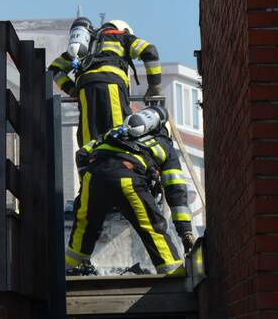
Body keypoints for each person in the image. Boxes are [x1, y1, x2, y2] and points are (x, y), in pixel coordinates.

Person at [65, 105, 195, 276]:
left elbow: (82, 153)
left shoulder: (114, 133)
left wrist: (87, 186)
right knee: (152, 228)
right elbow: (175, 189)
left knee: (84, 226)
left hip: (93, 178)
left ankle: (68, 274)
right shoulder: (164, 145)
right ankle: (174, 277)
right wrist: (185, 230)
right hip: (128, 180)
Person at [50, 19, 163, 145]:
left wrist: (71, 89)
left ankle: (91, 162)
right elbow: (150, 51)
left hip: (85, 89)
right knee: (119, 133)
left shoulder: (86, 43)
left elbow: (54, 69)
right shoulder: (122, 36)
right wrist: (154, 86)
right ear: (124, 30)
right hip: (111, 85)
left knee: (90, 137)